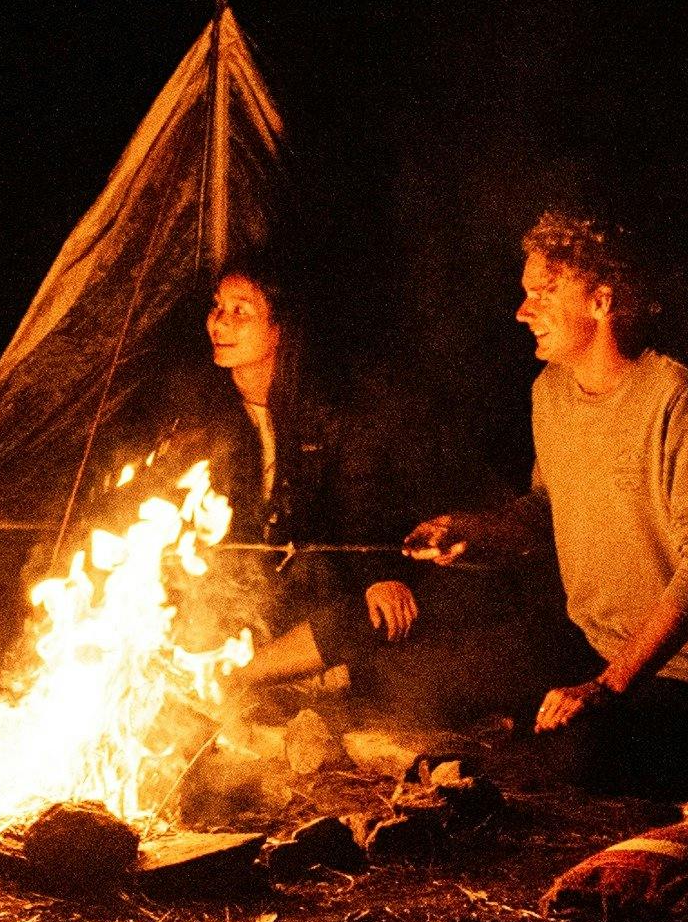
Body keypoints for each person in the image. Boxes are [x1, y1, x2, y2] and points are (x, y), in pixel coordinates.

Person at [405, 208, 688, 794]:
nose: (523, 311)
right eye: (524, 295)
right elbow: (546, 512)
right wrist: (472, 532)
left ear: (600, 302)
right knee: (432, 677)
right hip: (591, 644)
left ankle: (487, 774)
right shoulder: (550, 392)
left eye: (542, 293)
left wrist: (607, 685)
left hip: (687, 673)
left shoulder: (672, 395)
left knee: (583, 755)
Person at [133, 257, 505, 731]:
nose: (220, 323)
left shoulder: (328, 414)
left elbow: (357, 506)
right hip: (245, 593)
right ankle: (238, 681)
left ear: (279, 331)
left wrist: (376, 577)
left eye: (240, 311)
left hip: (317, 589)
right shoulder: (207, 415)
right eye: (217, 308)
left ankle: (229, 677)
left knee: (371, 613)